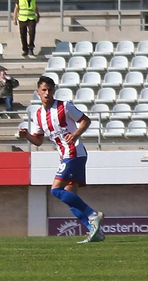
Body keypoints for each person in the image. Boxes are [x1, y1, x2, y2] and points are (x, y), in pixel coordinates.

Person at [19, 76, 105, 243]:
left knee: (55, 190)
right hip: (66, 155)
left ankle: (93, 214)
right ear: (38, 92)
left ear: (54, 91)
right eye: (43, 90)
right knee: (70, 197)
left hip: (74, 152)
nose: (47, 93)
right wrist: (27, 135)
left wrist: (75, 135)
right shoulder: (37, 115)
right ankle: (94, 231)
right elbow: (38, 140)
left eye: (50, 90)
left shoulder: (64, 107)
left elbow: (85, 120)